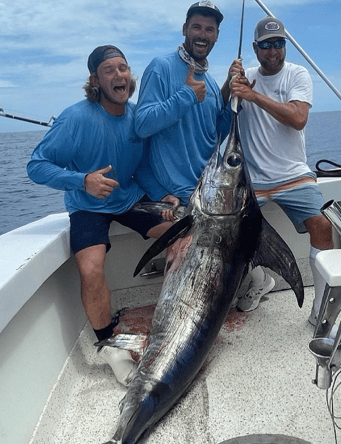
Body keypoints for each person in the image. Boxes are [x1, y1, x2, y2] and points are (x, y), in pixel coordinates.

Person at [27, 46, 177, 386]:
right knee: (90, 268)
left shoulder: (138, 118)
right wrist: (82, 180)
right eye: (109, 70)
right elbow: (36, 166)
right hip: (87, 205)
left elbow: (142, 168)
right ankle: (109, 345)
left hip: (128, 197)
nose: (119, 75)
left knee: (181, 232)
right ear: (95, 80)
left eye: (123, 68)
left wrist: (160, 195)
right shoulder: (75, 118)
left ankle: (177, 307)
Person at [230, 17, 333, 322]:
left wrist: (253, 96)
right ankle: (261, 281)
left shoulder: (297, 75)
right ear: (255, 47)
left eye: (278, 44)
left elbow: (298, 118)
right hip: (253, 181)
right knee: (229, 234)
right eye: (266, 45)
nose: (273, 51)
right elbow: (221, 111)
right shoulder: (245, 77)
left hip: (294, 176)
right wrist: (229, 84)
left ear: (285, 45)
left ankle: (322, 307)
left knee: (323, 226)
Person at [135, 1, 243, 206]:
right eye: (196, 27)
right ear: (185, 29)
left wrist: (235, 95)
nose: (203, 35)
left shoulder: (210, 83)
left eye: (209, 29)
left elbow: (216, 135)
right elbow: (142, 125)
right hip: (177, 199)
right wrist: (186, 96)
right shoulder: (161, 67)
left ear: (217, 36)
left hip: (210, 193)